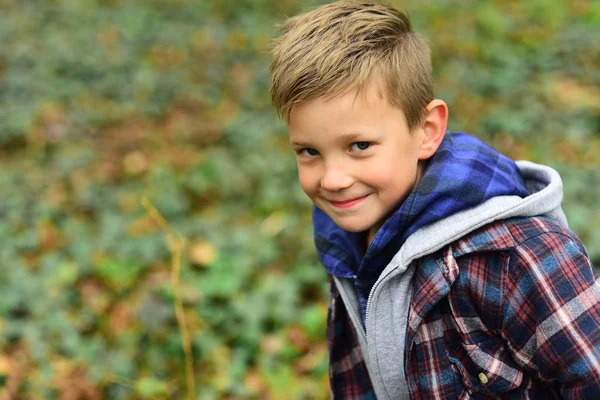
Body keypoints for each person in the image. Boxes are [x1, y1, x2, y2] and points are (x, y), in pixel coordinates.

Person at [270, 1, 600, 399]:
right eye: (309, 152)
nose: (334, 179)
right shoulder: (349, 243)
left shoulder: (518, 257)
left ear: (427, 131)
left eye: (359, 145)